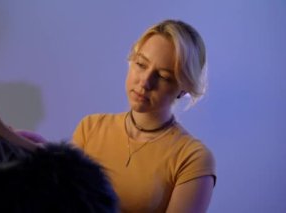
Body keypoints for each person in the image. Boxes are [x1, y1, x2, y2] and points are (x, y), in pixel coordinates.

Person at [20, 19, 216, 212]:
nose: (145, 82)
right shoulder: (91, 128)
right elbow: (67, 201)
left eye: (163, 76)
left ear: (183, 89)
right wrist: (51, 160)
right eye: (141, 64)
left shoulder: (193, 158)